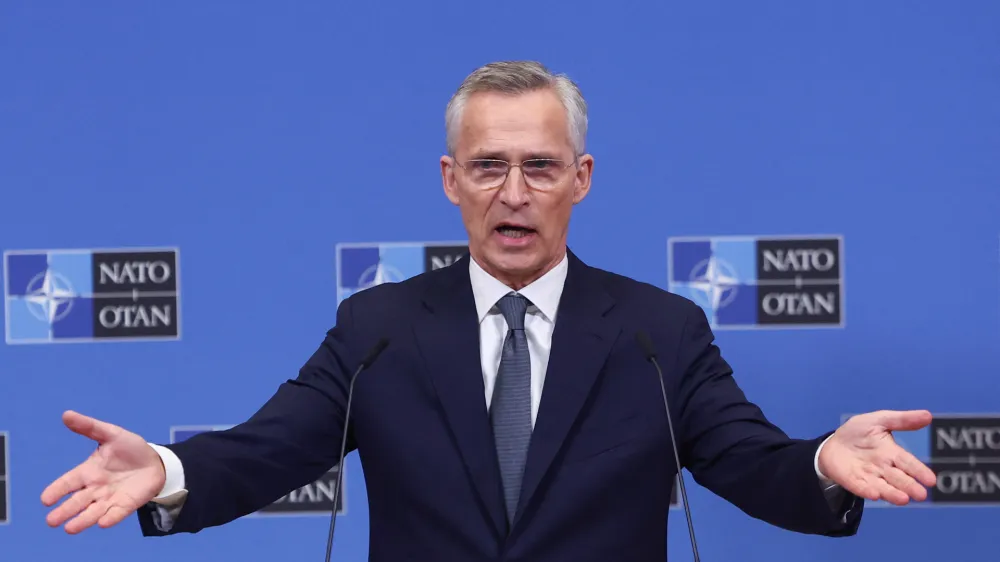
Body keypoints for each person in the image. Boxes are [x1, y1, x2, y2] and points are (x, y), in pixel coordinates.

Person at [41, 61, 937, 561]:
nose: (514, 192)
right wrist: (164, 468)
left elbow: (751, 464)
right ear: (450, 181)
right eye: (487, 166)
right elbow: (270, 449)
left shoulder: (658, 332)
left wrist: (823, 457)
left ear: (580, 181)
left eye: (540, 167)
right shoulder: (379, 326)